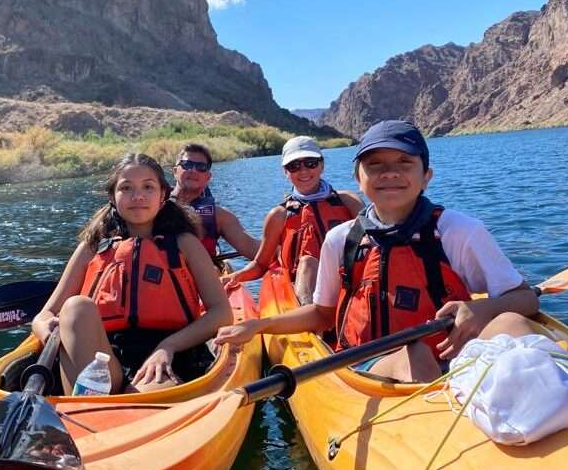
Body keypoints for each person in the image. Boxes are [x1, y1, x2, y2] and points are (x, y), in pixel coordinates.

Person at [215, 120, 540, 382]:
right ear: (358, 179)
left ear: (426, 176)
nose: (390, 173)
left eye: (405, 162)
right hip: (369, 362)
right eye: (375, 165)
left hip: (454, 357)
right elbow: (323, 315)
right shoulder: (341, 239)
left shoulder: (460, 231)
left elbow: (525, 298)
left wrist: (484, 309)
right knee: (414, 354)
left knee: (513, 324)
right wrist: (259, 326)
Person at [31, 153, 232, 394]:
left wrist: (168, 346)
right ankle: (85, 405)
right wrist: (47, 332)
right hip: (104, 358)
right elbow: (45, 314)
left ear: (163, 195)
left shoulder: (185, 244)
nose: (138, 196)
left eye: (148, 187)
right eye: (126, 188)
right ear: (113, 197)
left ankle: (110, 404)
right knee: (75, 307)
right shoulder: (92, 247)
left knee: (139, 396)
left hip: (168, 356)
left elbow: (222, 313)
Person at [221, 136, 362, 304]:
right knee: (307, 262)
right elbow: (260, 264)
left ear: (321, 165)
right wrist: (231, 278)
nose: (303, 171)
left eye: (310, 163)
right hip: (303, 288)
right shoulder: (279, 215)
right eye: (294, 166)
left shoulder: (348, 201)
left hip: (346, 279)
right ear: (285, 172)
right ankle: (310, 313)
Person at [171, 143, 259, 260]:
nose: (193, 170)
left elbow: (254, 248)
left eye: (201, 167)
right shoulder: (155, 206)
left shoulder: (220, 216)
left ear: (208, 177)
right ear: (175, 171)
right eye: (187, 164)